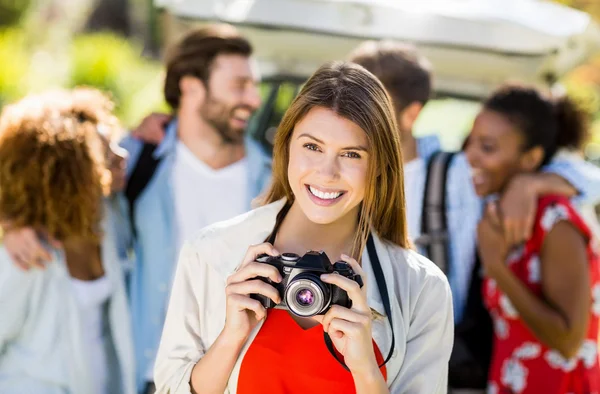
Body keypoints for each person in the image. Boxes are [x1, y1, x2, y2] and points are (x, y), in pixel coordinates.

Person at [1, 24, 272, 393]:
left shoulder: (275, 180)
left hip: (239, 375)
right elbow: (42, 177)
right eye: (240, 85)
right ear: (192, 86)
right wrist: (9, 221)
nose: (255, 100)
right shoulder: (137, 161)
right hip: (150, 374)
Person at [154, 61, 454, 394]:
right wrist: (231, 337)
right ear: (286, 147)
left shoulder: (422, 288)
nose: (327, 173)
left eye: (352, 154)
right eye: (312, 147)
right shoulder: (208, 252)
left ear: (381, 165)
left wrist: (366, 371)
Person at [347, 41, 600, 327]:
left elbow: (591, 180)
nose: (351, 114)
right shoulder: (336, 172)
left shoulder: (457, 174)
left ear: (411, 114)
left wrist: (531, 184)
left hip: (439, 355)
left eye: (367, 104)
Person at [465, 84, 600, 393]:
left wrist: (497, 267)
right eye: (470, 142)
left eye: (487, 147)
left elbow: (568, 341)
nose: (469, 156)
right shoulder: (497, 212)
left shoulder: (555, 220)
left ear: (530, 159)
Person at [0, 90, 135, 394]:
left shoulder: (108, 215)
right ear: (69, 171)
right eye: (104, 151)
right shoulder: (22, 254)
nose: (122, 155)